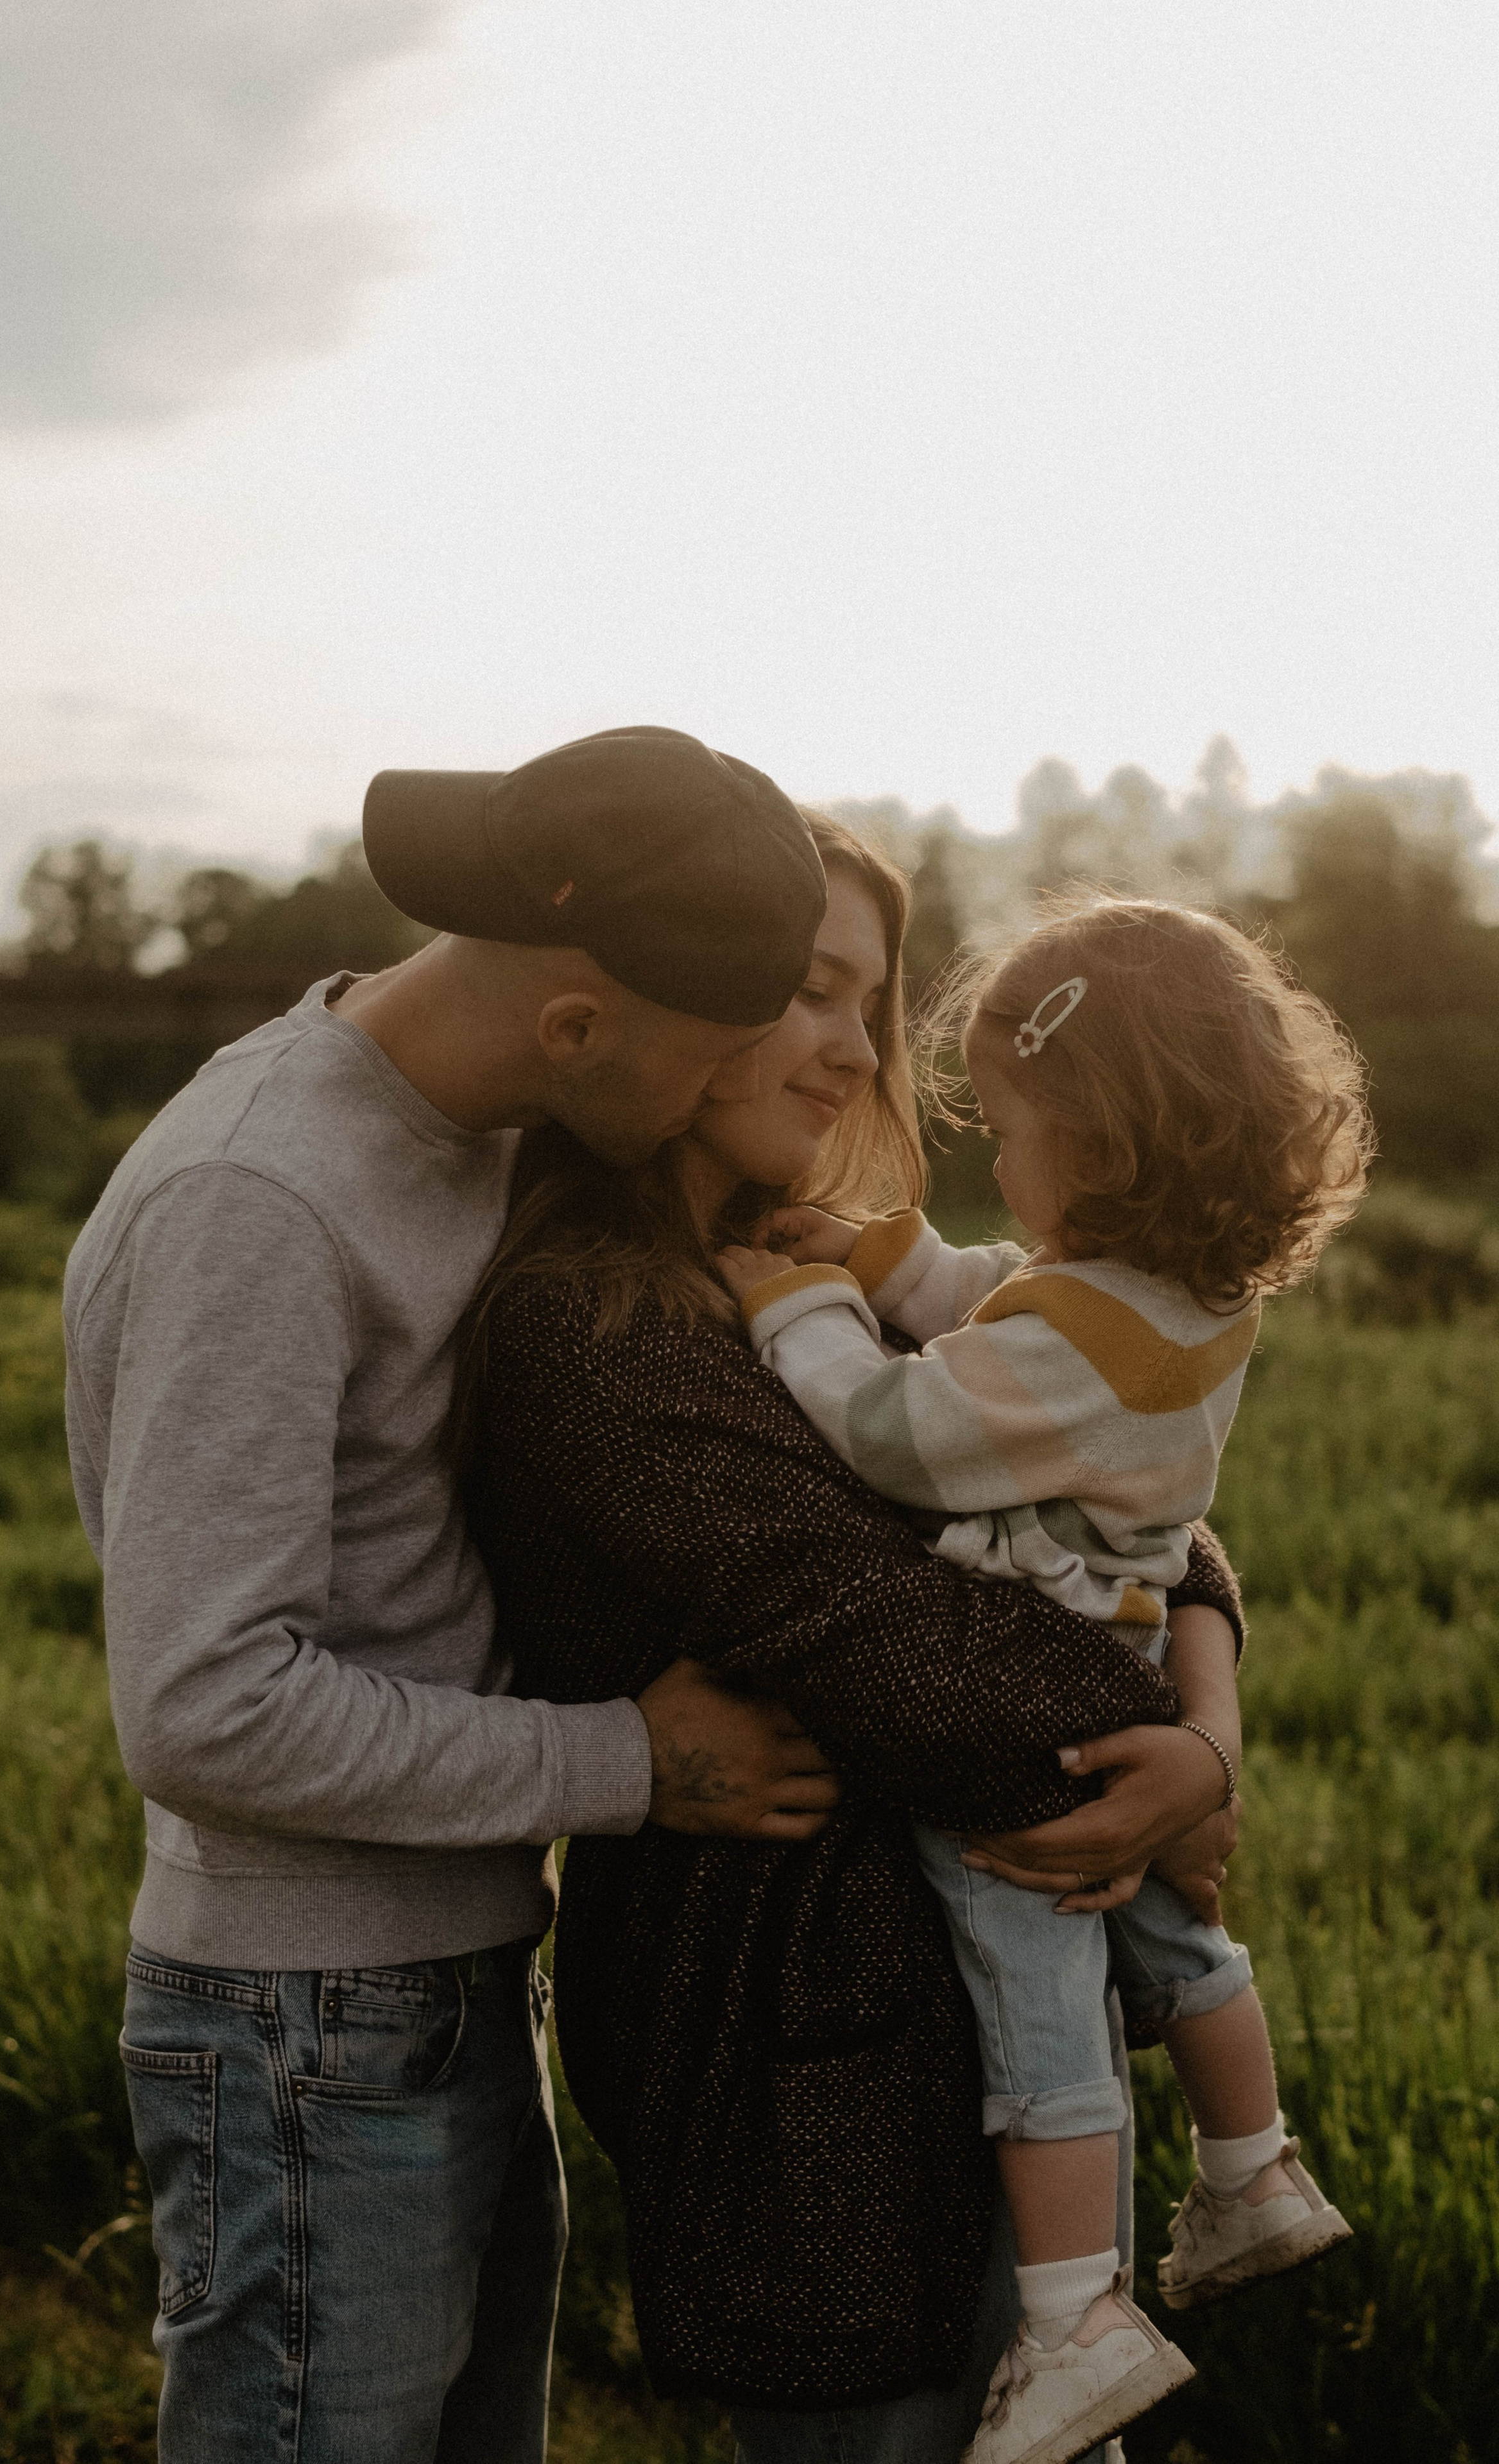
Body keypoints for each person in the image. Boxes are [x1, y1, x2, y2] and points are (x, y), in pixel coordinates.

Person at [62, 725, 848, 2464]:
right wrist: (635, 1767)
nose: (748, 1081)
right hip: (304, 2030)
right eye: (721, 1055)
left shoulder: (481, 1120)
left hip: (456, 1972)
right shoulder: (258, 1201)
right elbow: (202, 1707)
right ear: (577, 1026)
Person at [462, 820, 1247, 2462]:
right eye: (799, 989)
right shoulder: (603, 1332)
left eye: (864, 1003)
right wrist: (1165, 1749)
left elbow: (1131, 1498)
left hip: (991, 1991)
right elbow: (882, 1630)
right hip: (807, 2054)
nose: (844, 1047)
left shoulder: (812, 1274)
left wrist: (1206, 1712)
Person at [717, 898, 1371, 2463]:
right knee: (1173, 1929)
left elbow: (895, 1429)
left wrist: (795, 1308)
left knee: (1039, 2005)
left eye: (1009, 1132)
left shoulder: (1081, 1338)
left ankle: (1075, 2321)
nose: (991, 1165)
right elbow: (988, 1304)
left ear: (1103, 1136)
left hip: (1031, 1715)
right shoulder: (1165, 1303)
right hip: (1125, 1664)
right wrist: (875, 1254)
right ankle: (1249, 2167)